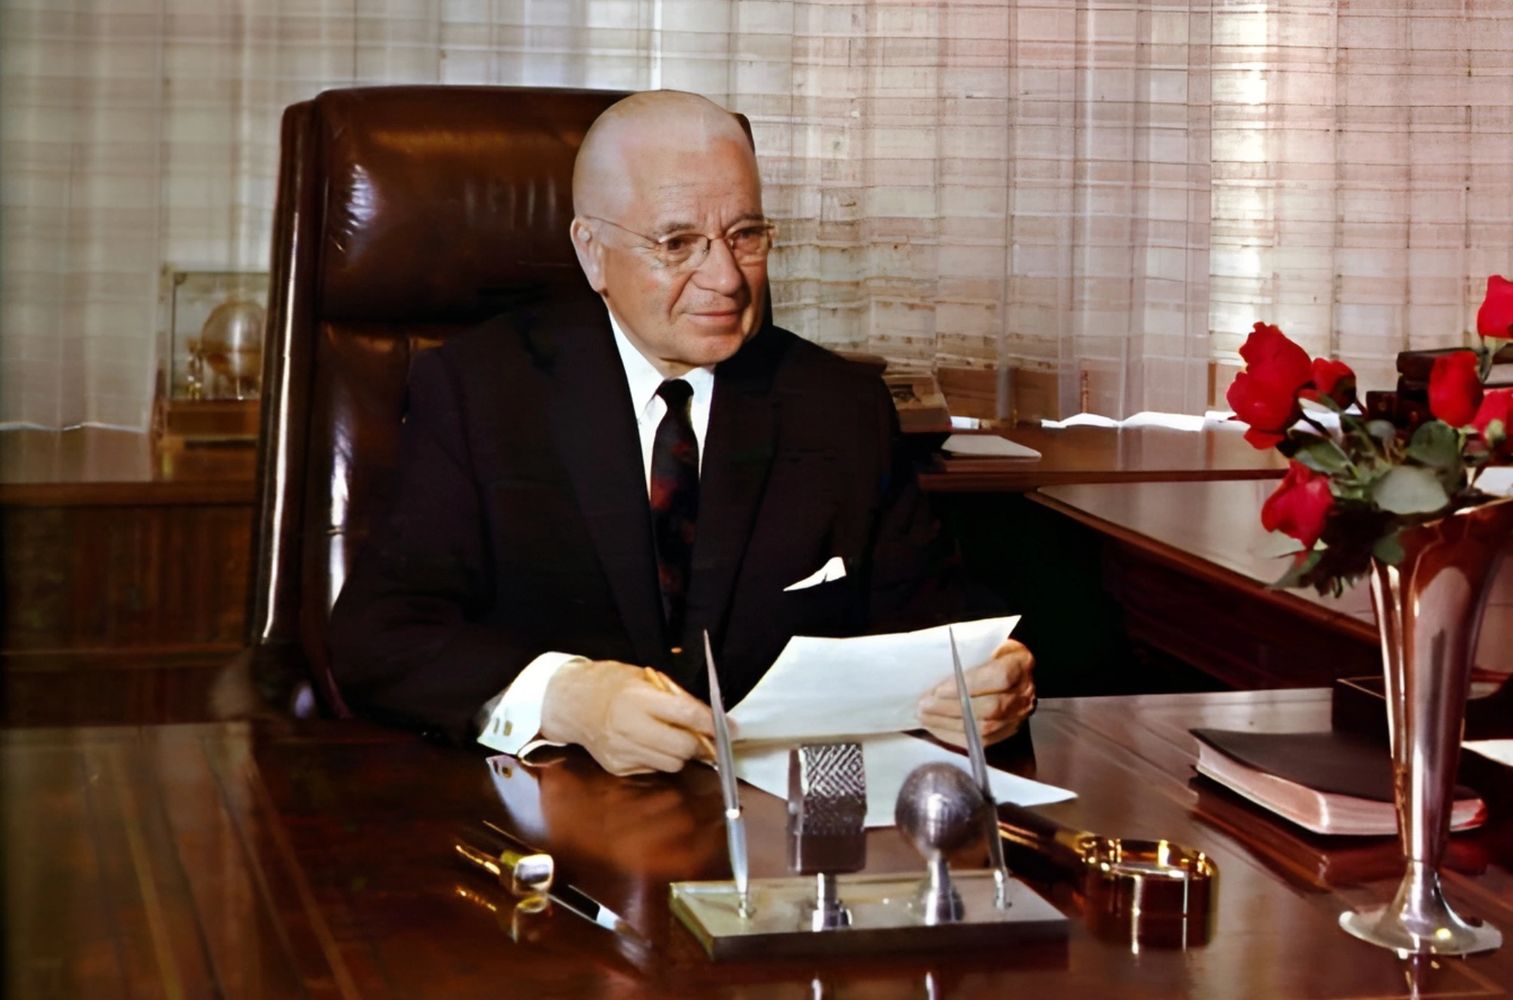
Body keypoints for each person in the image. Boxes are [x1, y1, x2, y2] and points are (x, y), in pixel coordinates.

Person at [327, 90, 1035, 775]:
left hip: (770, 832)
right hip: (556, 819)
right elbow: (378, 637)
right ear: (592, 251)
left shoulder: (837, 404)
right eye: (677, 243)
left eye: (745, 236)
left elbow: (935, 624)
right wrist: (567, 700)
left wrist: (991, 683)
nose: (725, 278)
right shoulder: (481, 391)